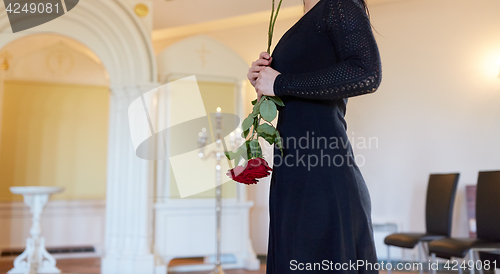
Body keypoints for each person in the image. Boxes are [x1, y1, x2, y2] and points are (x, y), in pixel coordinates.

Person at [247, 0, 382, 273]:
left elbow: (367, 73)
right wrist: (263, 81)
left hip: (322, 171)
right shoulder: (305, 21)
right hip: (293, 171)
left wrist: (280, 82)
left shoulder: (339, 4)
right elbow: (299, 92)